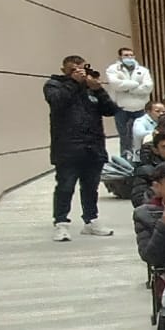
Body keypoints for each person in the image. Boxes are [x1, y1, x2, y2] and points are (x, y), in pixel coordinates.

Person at [45, 55, 119, 241]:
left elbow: (110, 110)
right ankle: (61, 223)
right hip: (67, 147)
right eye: (72, 70)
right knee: (65, 186)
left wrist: (99, 89)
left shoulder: (91, 87)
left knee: (90, 187)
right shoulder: (54, 85)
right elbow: (58, 102)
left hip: (93, 146)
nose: (78, 72)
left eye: (80, 69)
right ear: (64, 70)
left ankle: (91, 220)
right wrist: (73, 83)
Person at [103, 47, 155, 160]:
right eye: (126, 55)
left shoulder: (143, 70)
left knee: (140, 135)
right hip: (121, 108)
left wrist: (129, 89)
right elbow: (115, 84)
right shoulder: (113, 69)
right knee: (124, 136)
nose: (129, 57)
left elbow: (148, 87)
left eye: (131, 55)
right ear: (120, 57)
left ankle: (142, 158)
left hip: (140, 108)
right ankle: (125, 159)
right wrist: (136, 84)